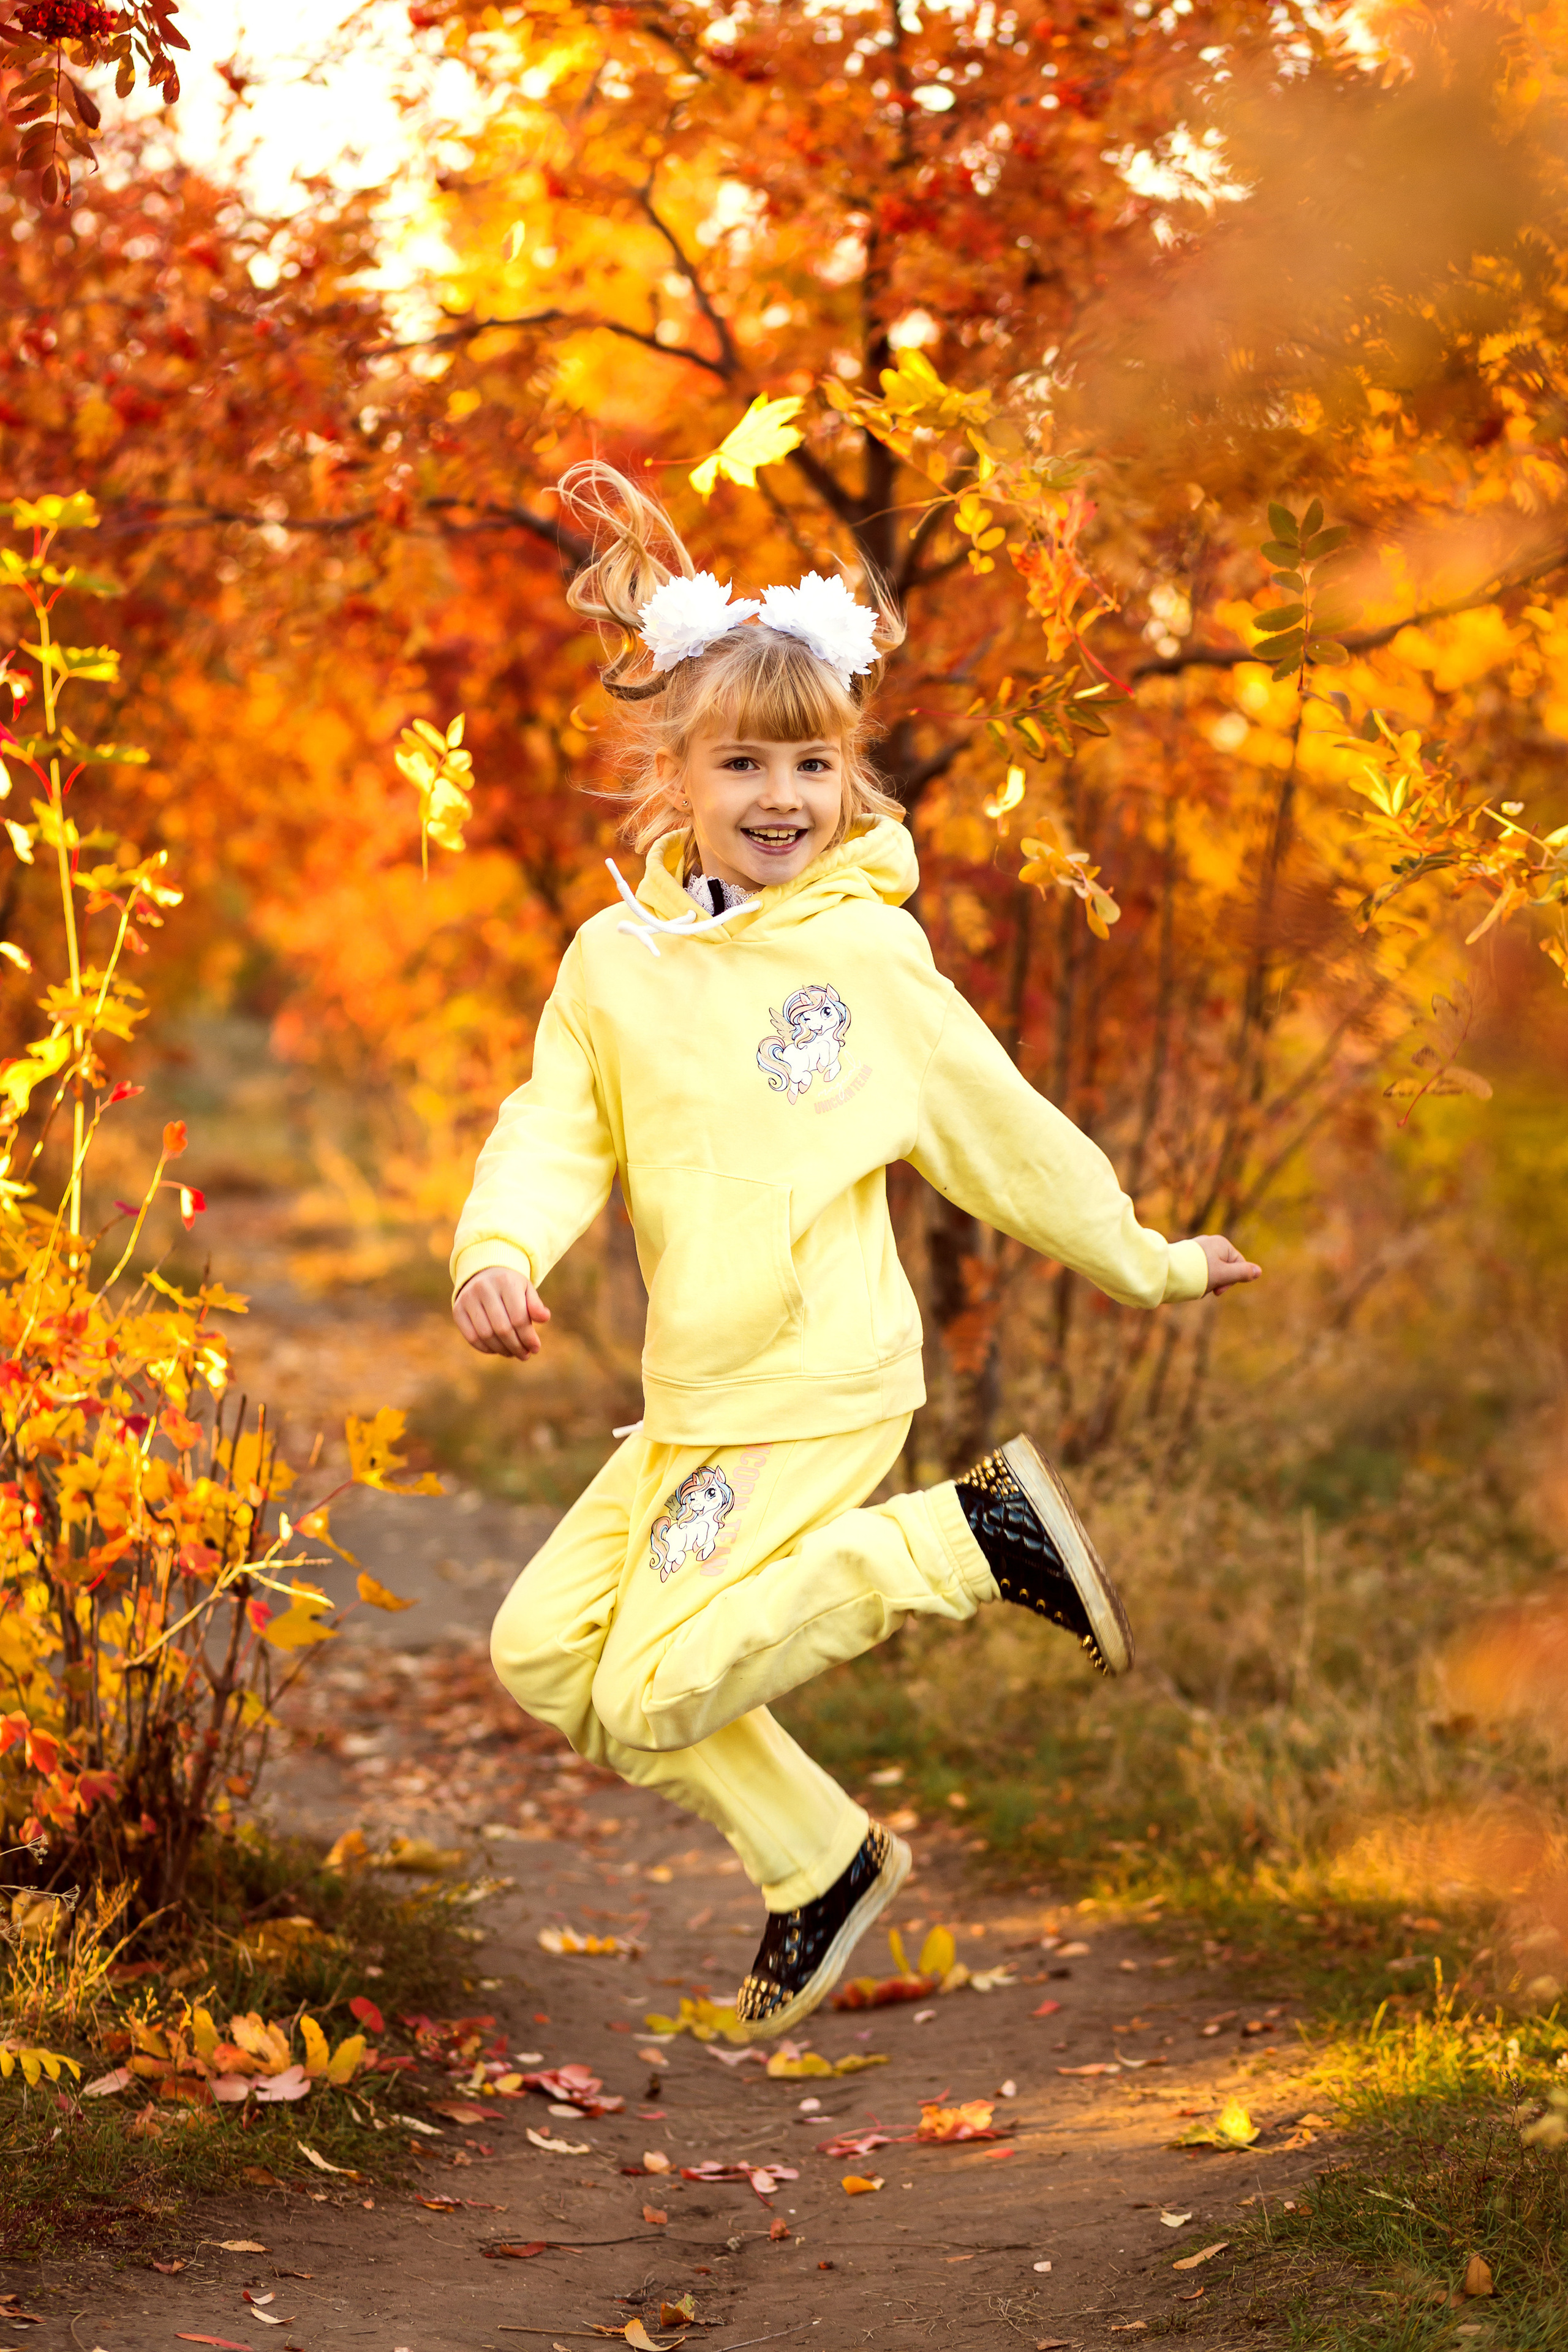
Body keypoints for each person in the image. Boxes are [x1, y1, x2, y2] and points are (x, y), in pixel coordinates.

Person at [450, 462, 1261, 2040]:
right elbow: (557, 1127)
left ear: (848, 776)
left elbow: (997, 1127)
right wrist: (501, 1248)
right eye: (742, 760)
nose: (779, 796)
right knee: (549, 1656)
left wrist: (1146, 1258)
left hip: (821, 1380)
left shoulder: (868, 954)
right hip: (696, 1396)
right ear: (674, 775)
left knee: (649, 1689)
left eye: (810, 764)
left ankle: (968, 1540)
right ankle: (819, 1862)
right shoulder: (614, 962)